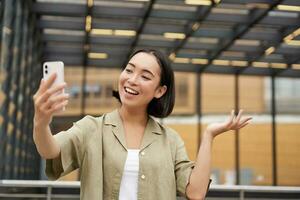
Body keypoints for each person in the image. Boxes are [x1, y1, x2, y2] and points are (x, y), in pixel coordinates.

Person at [33, 49, 252, 200]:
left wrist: (209, 136)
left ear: (160, 91)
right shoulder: (92, 128)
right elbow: (50, 150)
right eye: (129, 70)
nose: (132, 80)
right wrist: (41, 122)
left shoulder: (170, 140)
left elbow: (195, 193)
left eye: (145, 76)